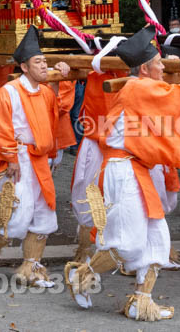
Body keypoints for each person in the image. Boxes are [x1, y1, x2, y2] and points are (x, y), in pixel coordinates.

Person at [65, 25, 180, 321]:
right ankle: (82, 275)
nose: (163, 67)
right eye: (159, 63)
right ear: (146, 68)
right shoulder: (138, 87)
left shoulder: (143, 88)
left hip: (137, 169)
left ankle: (141, 300)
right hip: (122, 170)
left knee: (156, 239)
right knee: (127, 242)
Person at [0, 26, 68, 287]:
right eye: (39, 62)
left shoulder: (46, 91)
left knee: (44, 216)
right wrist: (11, 158)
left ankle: (31, 270)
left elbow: (55, 117)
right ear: (24, 67)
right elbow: (1, 127)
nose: (44, 65)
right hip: (18, 160)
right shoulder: (9, 92)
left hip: (39, 161)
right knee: (14, 218)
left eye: (45, 61)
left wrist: (59, 82)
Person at [69, 59, 126, 264]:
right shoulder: (95, 74)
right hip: (96, 144)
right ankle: (85, 250)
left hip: (126, 149)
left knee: (122, 197)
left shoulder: (140, 78)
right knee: (88, 192)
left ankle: (122, 252)